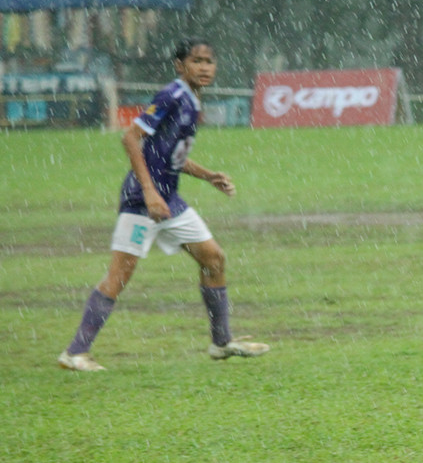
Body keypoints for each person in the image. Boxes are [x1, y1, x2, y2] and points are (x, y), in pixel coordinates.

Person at [58, 37, 269, 371]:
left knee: (213, 258)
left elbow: (169, 156)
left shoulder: (191, 100)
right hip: (144, 201)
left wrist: (208, 175)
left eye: (208, 61)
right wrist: (150, 193)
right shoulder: (171, 96)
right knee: (119, 276)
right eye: (196, 61)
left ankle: (221, 342)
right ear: (180, 65)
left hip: (169, 200)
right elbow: (130, 138)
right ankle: (75, 353)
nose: (204, 67)